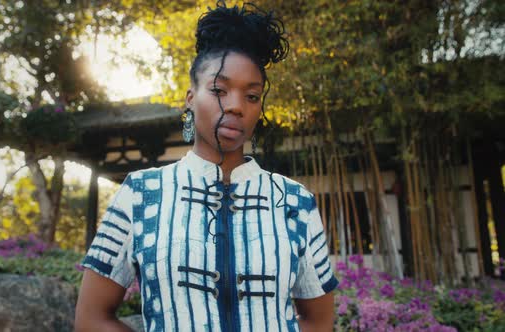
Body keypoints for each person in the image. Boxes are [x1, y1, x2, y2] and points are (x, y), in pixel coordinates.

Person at [75, 1, 337, 331]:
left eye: (252, 96)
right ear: (190, 98)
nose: (236, 106)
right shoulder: (140, 194)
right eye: (219, 90)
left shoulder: (295, 202)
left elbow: (319, 321)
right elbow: (91, 319)